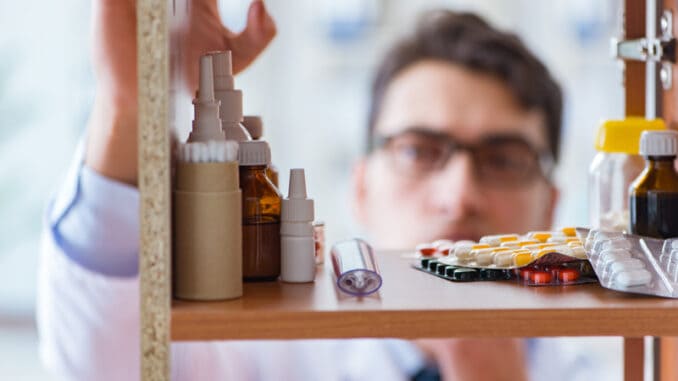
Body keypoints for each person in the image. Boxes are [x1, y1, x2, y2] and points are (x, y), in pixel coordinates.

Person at [38, 1, 611, 380]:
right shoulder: (270, 359)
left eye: (504, 160)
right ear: (360, 188)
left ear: (552, 205)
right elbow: (109, 357)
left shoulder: (625, 360)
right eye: (418, 150)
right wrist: (138, 110)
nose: (458, 196)